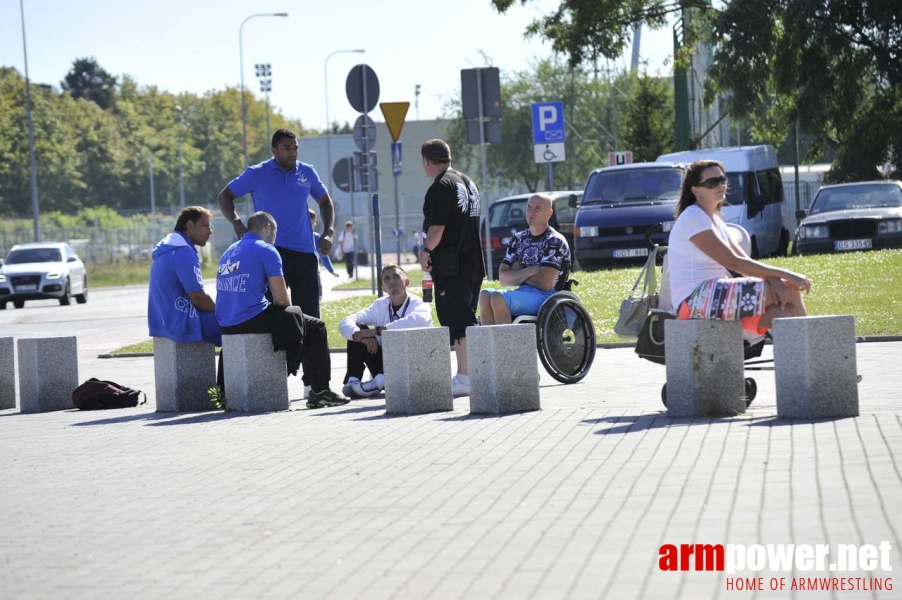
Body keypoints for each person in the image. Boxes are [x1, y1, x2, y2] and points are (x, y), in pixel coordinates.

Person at [214, 211, 349, 409]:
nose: (276, 238)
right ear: (268, 228)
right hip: (250, 318)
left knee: (292, 319)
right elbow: (281, 298)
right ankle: (320, 391)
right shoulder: (267, 250)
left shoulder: (230, 250)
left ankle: (221, 393)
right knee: (315, 326)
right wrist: (290, 331)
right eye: (275, 232)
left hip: (226, 324)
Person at [668, 159, 811, 334]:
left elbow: (744, 262)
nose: (720, 185)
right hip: (693, 300)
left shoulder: (715, 220)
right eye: (712, 182)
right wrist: (786, 274)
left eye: (723, 180)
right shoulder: (693, 216)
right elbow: (733, 263)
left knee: (788, 311)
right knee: (790, 289)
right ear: (696, 190)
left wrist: (774, 280)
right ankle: (815, 353)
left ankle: (800, 358)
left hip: (715, 295)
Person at [216, 129, 335, 319]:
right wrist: (236, 222)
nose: (293, 152)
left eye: (295, 148)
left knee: (310, 314)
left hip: (304, 252)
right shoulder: (256, 173)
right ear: (274, 150)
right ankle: (277, 349)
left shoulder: (307, 172)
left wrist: (328, 232)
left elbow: (325, 201)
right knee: (274, 311)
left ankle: (310, 349)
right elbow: (224, 196)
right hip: (270, 251)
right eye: (287, 148)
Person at [419, 139, 486, 397]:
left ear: (427, 161)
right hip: (473, 262)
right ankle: (472, 373)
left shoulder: (440, 187)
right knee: (468, 318)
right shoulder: (468, 182)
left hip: (451, 265)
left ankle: (465, 377)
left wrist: (426, 251)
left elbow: (436, 230)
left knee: (458, 321)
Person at [147, 206, 223, 387]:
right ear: (190, 225)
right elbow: (198, 298)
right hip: (181, 321)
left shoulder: (168, 248)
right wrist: (222, 312)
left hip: (162, 321)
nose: (210, 231)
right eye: (205, 225)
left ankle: (223, 390)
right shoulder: (183, 252)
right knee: (236, 328)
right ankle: (228, 392)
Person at [338, 264, 433, 398]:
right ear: (383, 287)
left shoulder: (419, 303)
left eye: (396, 277)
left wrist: (377, 331)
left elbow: (417, 320)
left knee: (366, 332)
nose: (391, 281)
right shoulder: (380, 305)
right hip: (385, 362)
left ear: (406, 281)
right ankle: (354, 380)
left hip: (412, 364)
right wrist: (362, 337)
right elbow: (345, 321)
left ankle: (379, 381)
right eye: (386, 279)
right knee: (358, 328)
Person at [479, 194, 571, 324]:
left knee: (497, 298)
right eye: (529, 207)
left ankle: (507, 343)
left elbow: (545, 283)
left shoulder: (554, 240)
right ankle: (489, 343)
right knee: (484, 295)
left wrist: (517, 273)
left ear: (549, 213)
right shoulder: (518, 239)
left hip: (547, 297)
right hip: (523, 292)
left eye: (537, 209)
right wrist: (532, 270)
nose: (531, 213)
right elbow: (503, 279)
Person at [309, 209, 339, 303]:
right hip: (302, 272)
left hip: (314, 271)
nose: (314, 224)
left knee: (317, 295)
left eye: (313, 222)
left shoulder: (316, 237)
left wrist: (331, 270)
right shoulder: (298, 238)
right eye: (313, 222)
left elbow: (324, 256)